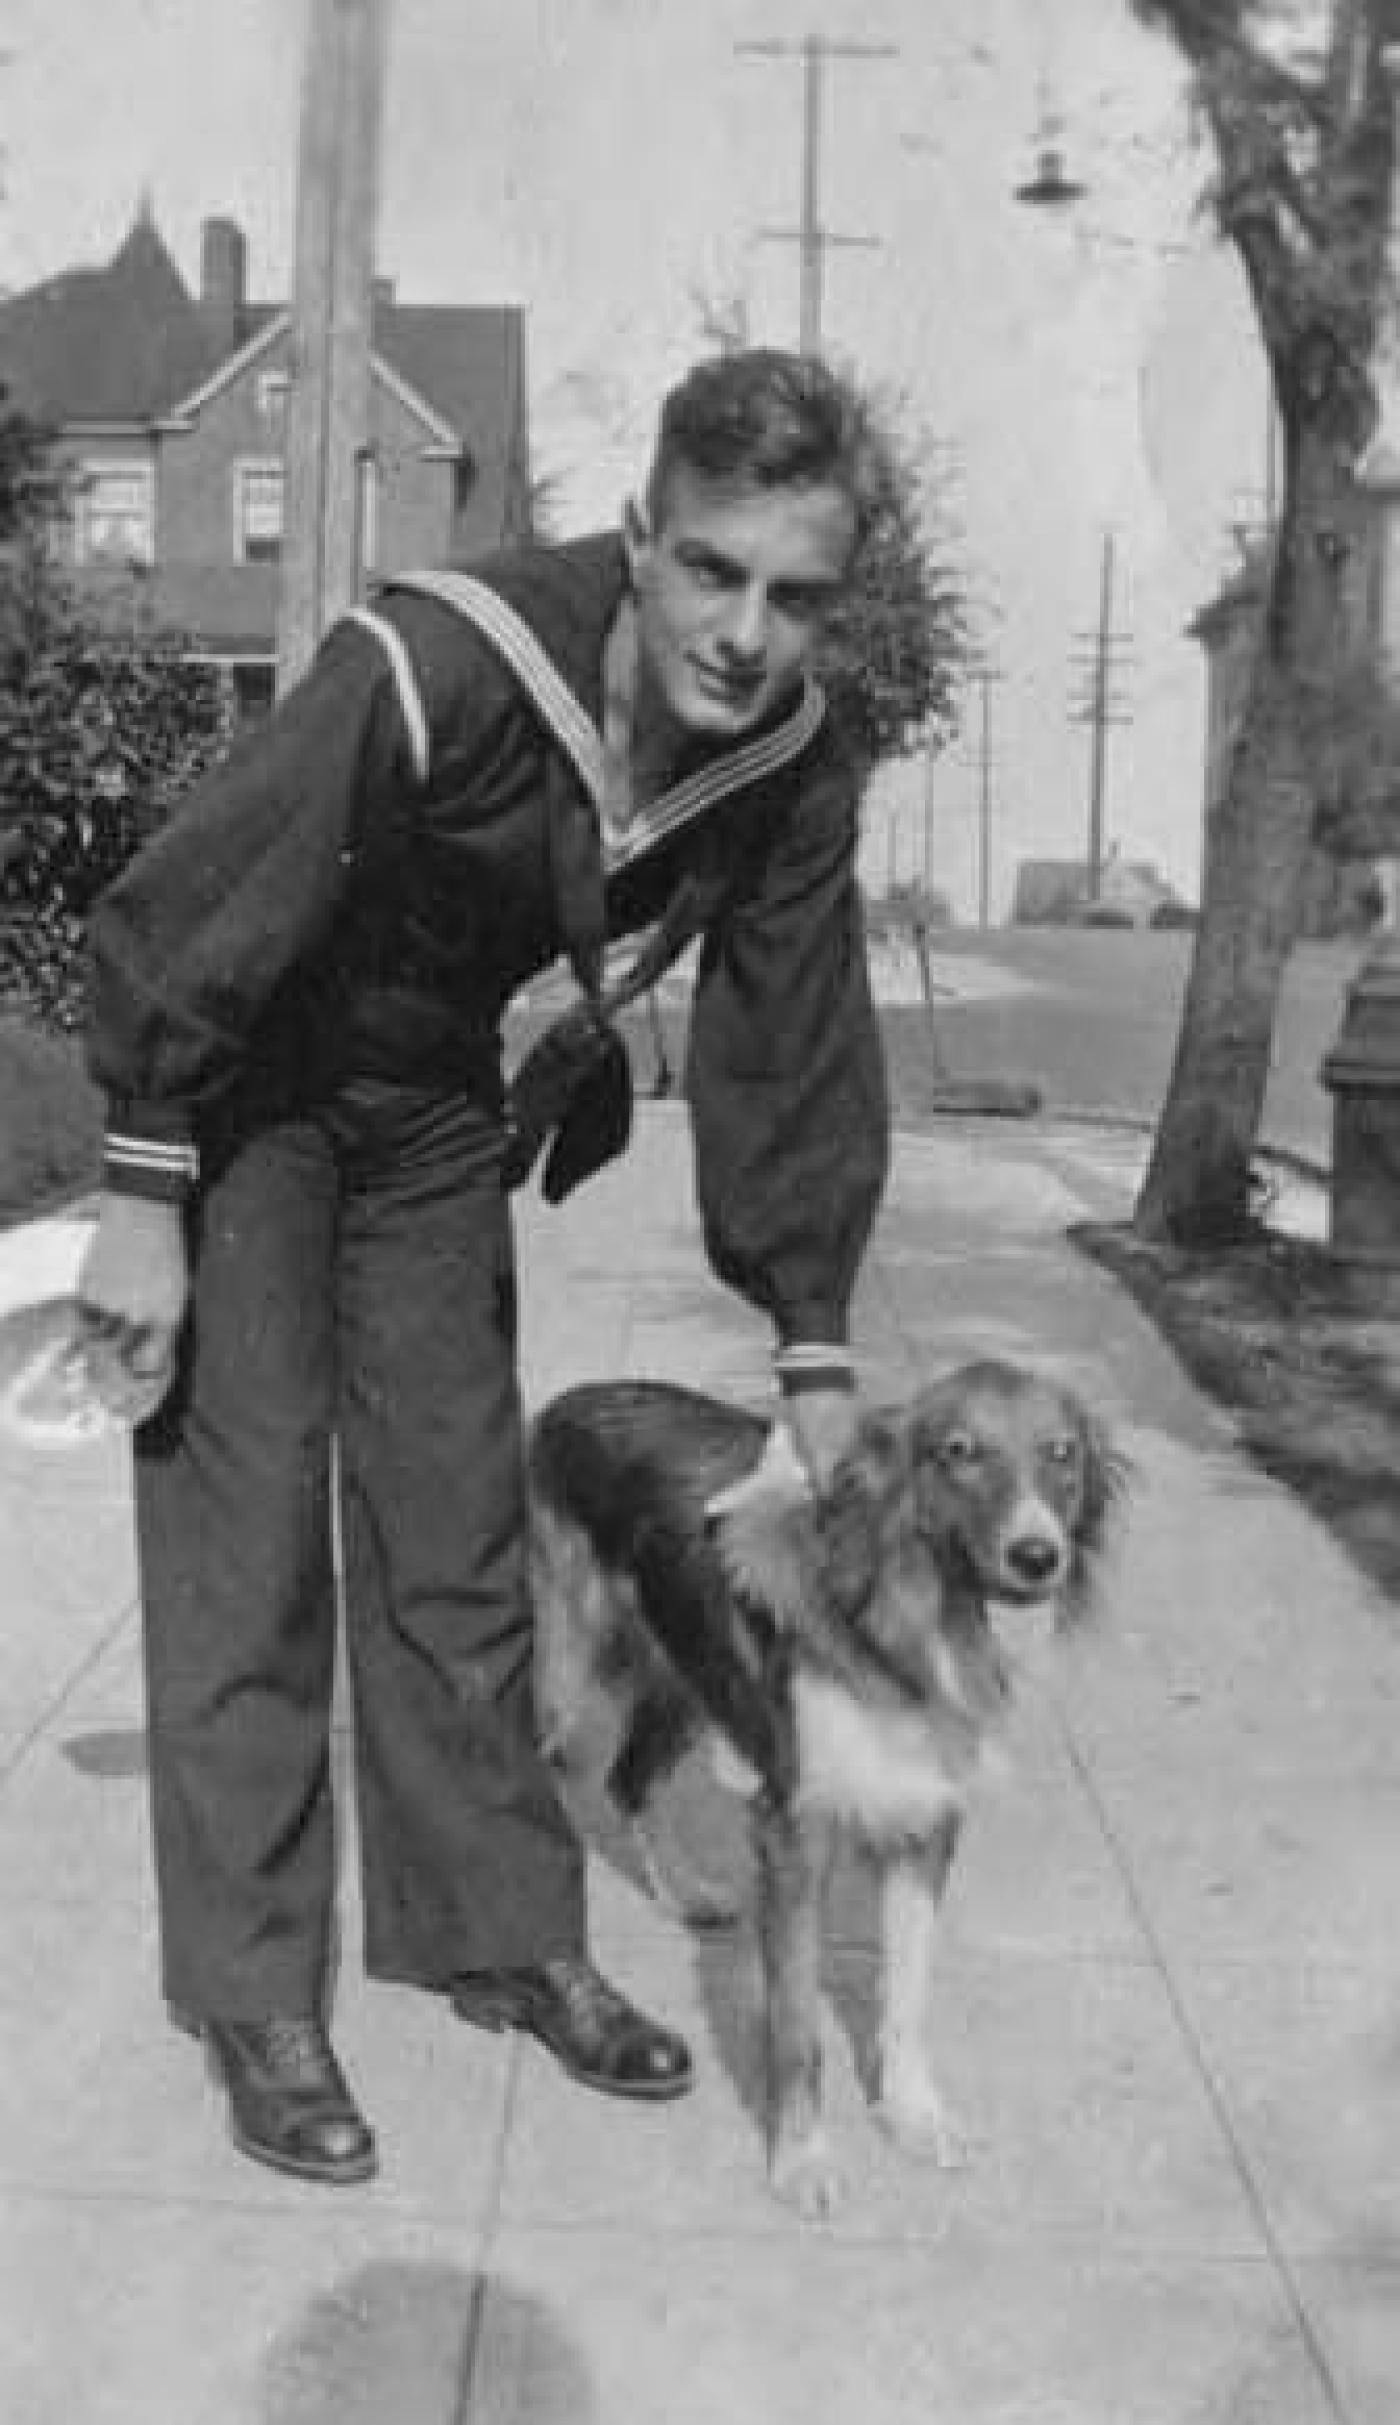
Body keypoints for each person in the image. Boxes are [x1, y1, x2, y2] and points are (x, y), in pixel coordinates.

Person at [76, 346, 891, 2187]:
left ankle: (494, 1925)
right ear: (640, 538)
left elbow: (795, 1028)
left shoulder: (785, 755)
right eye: (711, 570)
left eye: (795, 593)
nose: (748, 631)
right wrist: (138, 1194)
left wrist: (816, 1343)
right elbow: (202, 894)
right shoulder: (441, 653)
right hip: (251, 1080)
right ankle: (254, 1992)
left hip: (431, 1099)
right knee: (248, 1536)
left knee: (456, 1522)